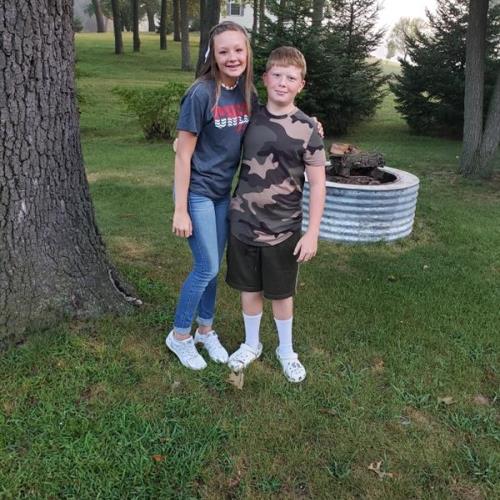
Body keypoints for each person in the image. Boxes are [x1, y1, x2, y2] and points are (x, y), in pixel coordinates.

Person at [225, 46, 326, 383]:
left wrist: (312, 233)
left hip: (284, 229)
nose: (283, 83)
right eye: (277, 75)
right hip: (243, 223)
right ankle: (251, 343)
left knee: (282, 294)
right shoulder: (248, 117)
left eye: (291, 78)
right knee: (249, 288)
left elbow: (318, 184)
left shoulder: (308, 129)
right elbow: (217, 135)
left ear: (301, 85)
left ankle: (286, 350)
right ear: (265, 78)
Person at [166, 21, 256, 370]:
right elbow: (183, 155)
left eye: (238, 50)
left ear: (247, 52)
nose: (232, 57)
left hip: (222, 194)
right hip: (198, 192)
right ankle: (179, 336)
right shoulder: (201, 94)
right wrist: (180, 209)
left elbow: (269, 125)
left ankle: (205, 330)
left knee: (213, 268)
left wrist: (309, 123)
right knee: (206, 266)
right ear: (213, 56)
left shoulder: (247, 92)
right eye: (224, 51)